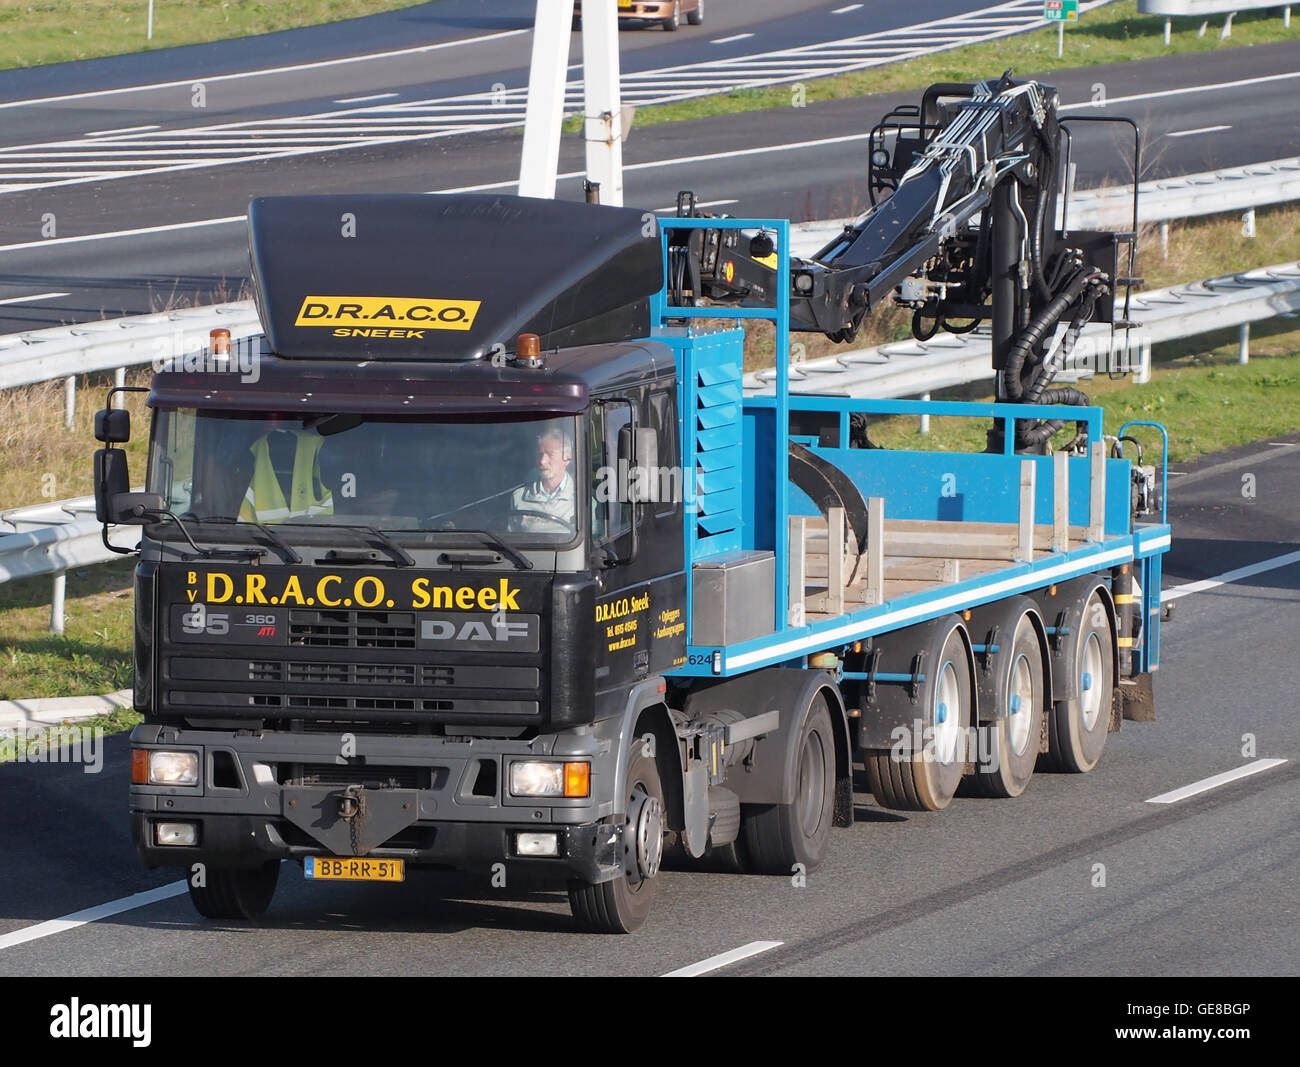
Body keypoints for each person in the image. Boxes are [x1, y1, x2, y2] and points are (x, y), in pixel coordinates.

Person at [508, 426, 575, 534]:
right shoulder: (519, 498)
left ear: (567, 458)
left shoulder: (581, 500)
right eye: (540, 454)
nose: (542, 461)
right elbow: (511, 539)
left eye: (550, 454)